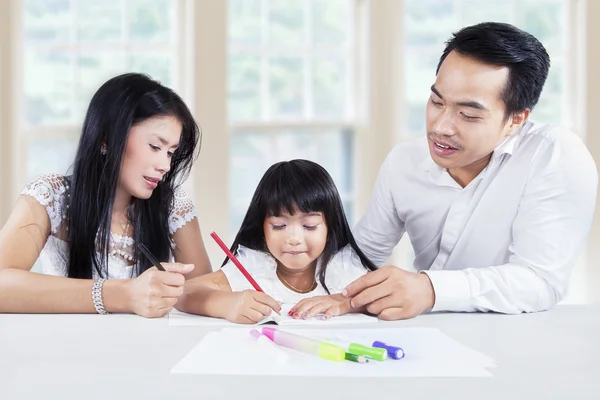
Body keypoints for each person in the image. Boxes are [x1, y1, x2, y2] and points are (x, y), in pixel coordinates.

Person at [344, 22, 598, 320]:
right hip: (426, 337)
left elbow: (539, 281)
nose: (440, 127)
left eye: (468, 114)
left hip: (517, 343)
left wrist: (429, 289)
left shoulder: (553, 155)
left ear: (516, 119)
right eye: (436, 102)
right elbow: (358, 259)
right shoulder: (404, 162)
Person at [0, 73, 212, 318]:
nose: (165, 165)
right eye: (155, 147)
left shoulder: (173, 206)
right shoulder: (51, 196)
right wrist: (124, 294)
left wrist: (230, 302)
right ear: (107, 139)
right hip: (68, 348)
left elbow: (202, 292)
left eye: (170, 153)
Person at [176, 159, 377, 324]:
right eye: (279, 226)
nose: (294, 239)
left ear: (330, 227)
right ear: (262, 228)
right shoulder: (253, 265)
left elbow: (386, 298)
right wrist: (227, 304)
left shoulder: (341, 267)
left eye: (309, 226)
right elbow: (184, 292)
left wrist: (347, 303)